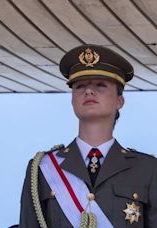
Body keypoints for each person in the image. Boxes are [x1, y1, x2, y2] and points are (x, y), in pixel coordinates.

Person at [19, 44, 157, 228]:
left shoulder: (148, 169)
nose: (88, 91)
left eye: (100, 85)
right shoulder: (42, 168)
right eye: (80, 86)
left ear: (120, 100)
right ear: (72, 99)